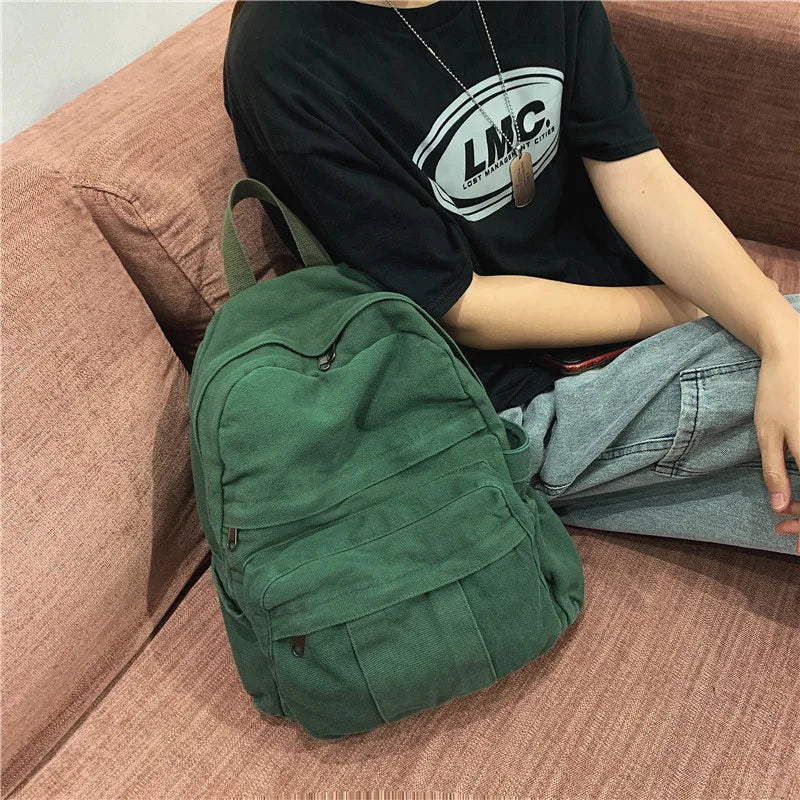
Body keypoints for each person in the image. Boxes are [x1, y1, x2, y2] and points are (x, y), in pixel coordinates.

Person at [222, 0, 800, 555]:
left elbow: (633, 168)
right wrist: (690, 309)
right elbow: (461, 307)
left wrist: (773, 325)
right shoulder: (282, 56)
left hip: (627, 336)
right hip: (509, 402)